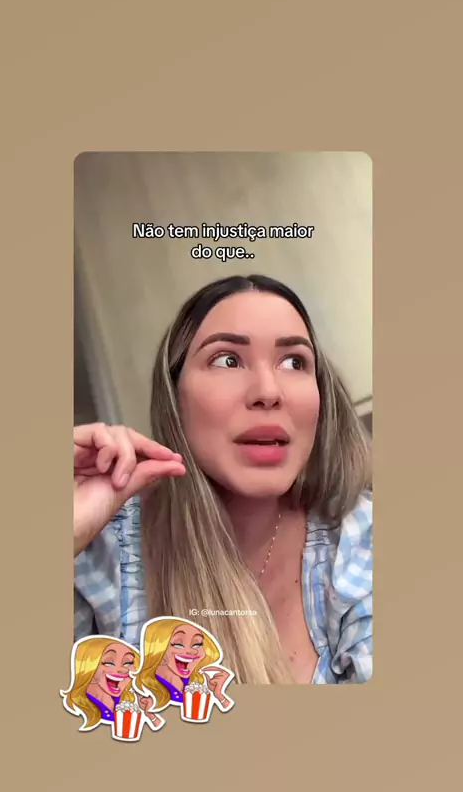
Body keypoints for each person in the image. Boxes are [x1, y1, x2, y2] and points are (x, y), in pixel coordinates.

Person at [74, 274, 372, 685]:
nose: (268, 391)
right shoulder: (104, 558)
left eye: (294, 362)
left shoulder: (361, 541)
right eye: (227, 360)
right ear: (174, 397)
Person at [60, 636, 164, 730]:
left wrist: (150, 715)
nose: (122, 670)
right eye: (109, 663)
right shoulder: (75, 709)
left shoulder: (131, 701)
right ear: (88, 667)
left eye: (128, 663)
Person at [132, 616, 234, 711]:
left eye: (197, 644)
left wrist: (219, 695)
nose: (192, 651)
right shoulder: (144, 692)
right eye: (179, 644)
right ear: (157, 649)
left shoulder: (198, 682)